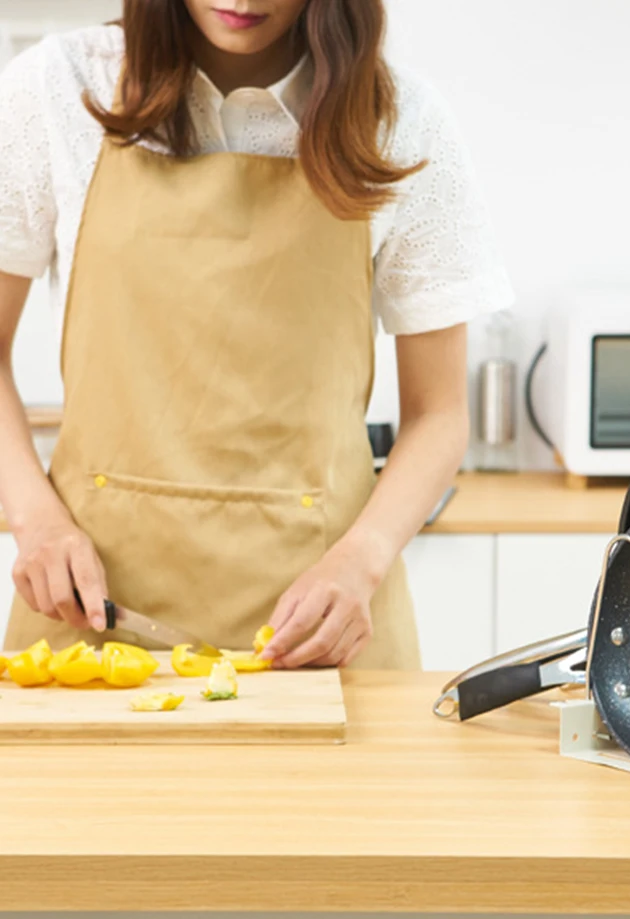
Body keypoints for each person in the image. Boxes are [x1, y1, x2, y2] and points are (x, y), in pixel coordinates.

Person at [0, 1, 512, 670]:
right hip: (93, 619)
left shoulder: (399, 120)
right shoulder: (60, 89)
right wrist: (35, 519)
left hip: (321, 633)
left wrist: (362, 560)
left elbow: (438, 414)